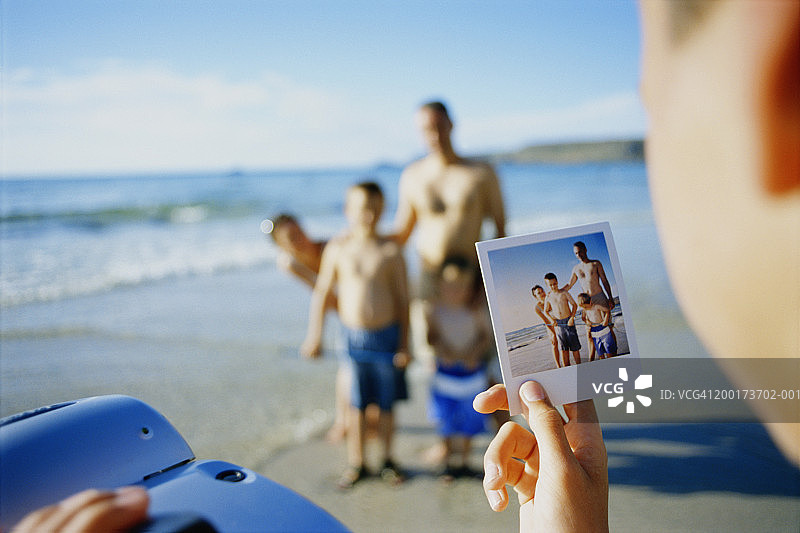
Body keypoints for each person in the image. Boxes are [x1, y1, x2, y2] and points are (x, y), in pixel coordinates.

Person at [474, 1, 799, 532]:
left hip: (593, 328)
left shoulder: (590, 268)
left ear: (777, 87)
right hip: (576, 327)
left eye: (653, 110)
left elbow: (591, 293)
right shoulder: (577, 276)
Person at [300, 181, 411, 489]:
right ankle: (357, 462)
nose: (369, 214)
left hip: (388, 338)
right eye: (362, 207)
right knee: (357, 404)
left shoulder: (391, 250)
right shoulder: (338, 248)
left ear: (383, 209)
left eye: (375, 207)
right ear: (348, 210)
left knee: (387, 404)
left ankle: (388, 458)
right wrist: (315, 336)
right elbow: (322, 292)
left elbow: (404, 302)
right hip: (353, 339)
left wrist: (405, 344)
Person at [393, 100, 506, 299]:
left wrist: (488, 278)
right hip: (429, 277)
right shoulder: (412, 176)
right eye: (427, 130)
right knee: (425, 330)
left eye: (440, 127)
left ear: (451, 124)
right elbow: (402, 234)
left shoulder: (481, 173)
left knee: (478, 330)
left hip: (471, 277)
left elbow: (501, 231)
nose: (435, 136)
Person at [267, 213, 352, 441]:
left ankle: (352, 420)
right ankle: (344, 421)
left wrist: (317, 335)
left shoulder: (328, 248)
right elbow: (322, 293)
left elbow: (327, 293)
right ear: (281, 246)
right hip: (343, 307)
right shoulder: (289, 263)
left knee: (353, 363)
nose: (301, 239)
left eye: (300, 231)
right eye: (292, 237)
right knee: (349, 362)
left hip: (358, 301)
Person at [424, 256, 492, 481]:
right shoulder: (435, 309)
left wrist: (473, 354)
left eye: (462, 286)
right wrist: (442, 351)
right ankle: (447, 463)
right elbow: (431, 337)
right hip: (446, 371)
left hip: (471, 372)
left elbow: (485, 337)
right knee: (445, 416)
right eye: (450, 285)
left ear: (471, 287)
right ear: (439, 285)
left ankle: (462, 462)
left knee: (469, 418)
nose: (456, 291)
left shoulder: (475, 309)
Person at [543, 273, 581, 366]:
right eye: (550, 285)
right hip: (559, 325)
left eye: (554, 283)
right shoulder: (548, 296)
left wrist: (572, 318)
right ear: (547, 286)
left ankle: (581, 367)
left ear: (557, 282)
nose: (553, 286)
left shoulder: (564, 293)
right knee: (564, 350)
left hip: (569, 322)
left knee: (575, 348)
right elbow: (546, 311)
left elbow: (574, 305)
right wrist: (552, 320)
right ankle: (566, 369)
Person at [565, 241, 613, 310]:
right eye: (576, 253)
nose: (578, 255)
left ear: (585, 250)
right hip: (586, 301)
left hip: (599, 296)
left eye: (580, 252)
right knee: (591, 320)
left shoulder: (596, 264)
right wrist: (558, 291)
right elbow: (569, 285)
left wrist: (610, 298)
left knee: (607, 320)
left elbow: (604, 281)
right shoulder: (576, 269)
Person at [577, 292, 616, 360]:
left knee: (609, 351)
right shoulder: (584, 309)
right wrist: (587, 321)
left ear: (590, 302)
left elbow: (607, 310)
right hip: (594, 333)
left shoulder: (596, 306)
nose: (585, 308)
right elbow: (583, 318)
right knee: (600, 354)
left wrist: (605, 320)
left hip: (603, 330)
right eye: (583, 307)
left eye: (586, 306)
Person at [530, 284, 560, 368]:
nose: (542, 293)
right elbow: (546, 321)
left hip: (560, 320)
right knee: (554, 342)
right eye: (539, 293)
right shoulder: (537, 308)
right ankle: (558, 366)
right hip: (550, 323)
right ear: (536, 297)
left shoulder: (551, 298)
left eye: (542, 291)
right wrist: (553, 332)